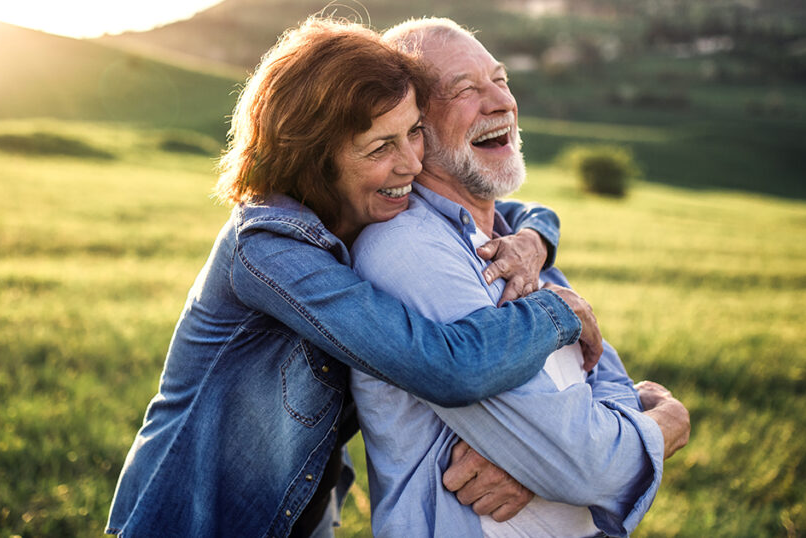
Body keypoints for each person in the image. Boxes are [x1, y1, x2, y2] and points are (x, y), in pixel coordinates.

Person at [105, 17, 604, 537]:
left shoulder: (364, 210)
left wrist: (534, 240)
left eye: (413, 132)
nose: (412, 163)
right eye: (380, 148)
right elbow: (445, 367)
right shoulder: (268, 249)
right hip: (195, 521)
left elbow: (515, 210)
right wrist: (558, 310)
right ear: (316, 160)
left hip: (304, 516)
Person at [350, 17, 691, 537]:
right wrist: (664, 424)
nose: (501, 102)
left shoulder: (518, 245)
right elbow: (587, 465)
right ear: (413, 128)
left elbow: (604, 383)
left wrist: (543, 464)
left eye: (501, 80)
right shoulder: (409, 251)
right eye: (465, 89)